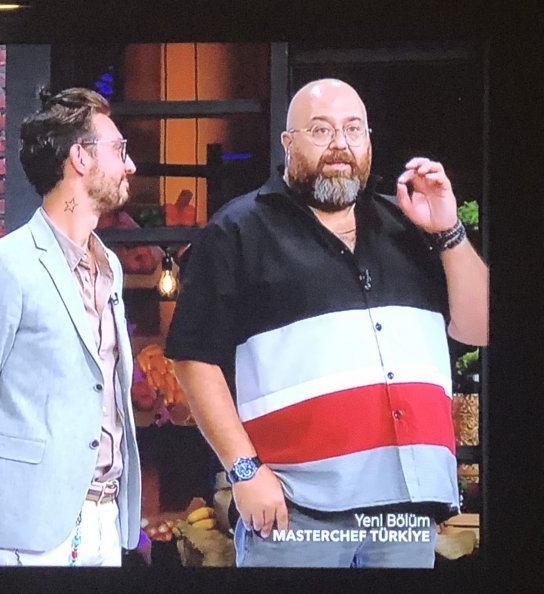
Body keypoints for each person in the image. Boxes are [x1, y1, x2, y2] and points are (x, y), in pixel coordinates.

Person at [165, 78, 488, 568]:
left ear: (369, 142)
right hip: (295, 511)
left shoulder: (409, 228)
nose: (340, 144)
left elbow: (479, 328)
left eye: (353, 129)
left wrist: (449, 231)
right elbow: (194, 358)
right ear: (288, 143)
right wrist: (244, 470)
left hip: (407, 511)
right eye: (321, 130)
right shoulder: (238, 230)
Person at [0, 87, 142, 566]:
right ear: (80, 158)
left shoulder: (109, 265)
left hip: (106, 515)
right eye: (119, 149)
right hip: (25, 523)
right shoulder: (4, 266)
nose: (129, 165)